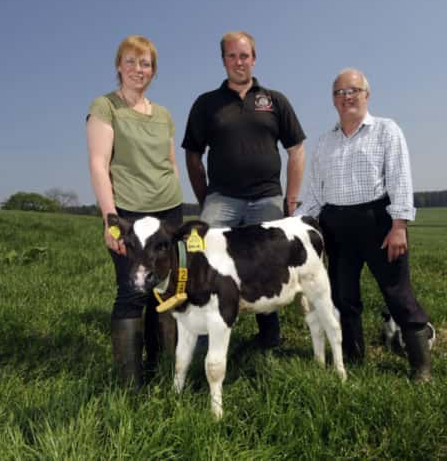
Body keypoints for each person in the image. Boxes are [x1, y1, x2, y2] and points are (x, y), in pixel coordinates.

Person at [296, 68, 432, 382]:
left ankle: (420, 365)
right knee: (343, 296)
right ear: (333, 100)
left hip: (379, 222)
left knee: (397, 292)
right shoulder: (323, 143)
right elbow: (314, 194)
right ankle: (354, 358)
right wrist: (294, 227)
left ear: (367, 95)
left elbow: (400, 179)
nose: (347, 98)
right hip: (335, 226)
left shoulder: (386, 130)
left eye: (353, 91)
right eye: (340, 93)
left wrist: (399, 225)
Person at [182, 31, 306, 349]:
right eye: (232, 56)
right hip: (222, 198)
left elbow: (297, 149)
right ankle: (202, 340)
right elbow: (193, 155)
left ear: (254, 57)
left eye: (244, 55)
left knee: (266, 263)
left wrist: (290, 198)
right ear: (223, 60)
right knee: (203, 260)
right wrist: (206, 197)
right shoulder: (206, 103)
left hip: (267, 197)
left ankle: (269, 338)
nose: (239, 62)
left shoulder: (275, 100)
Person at [86, 35, 183, 390]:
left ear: (153, 71)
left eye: (145, 64)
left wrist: (174, 195)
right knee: (133, 290)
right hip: (129, 212)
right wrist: (110, 220)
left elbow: (170, 163)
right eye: (131, 61)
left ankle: (166, 372)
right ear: (118, 66)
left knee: (166, 289)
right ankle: (131, 382)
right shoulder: (105, 106)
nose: (138, 69)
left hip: (168, 212)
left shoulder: (164, 115)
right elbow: (99, 164)